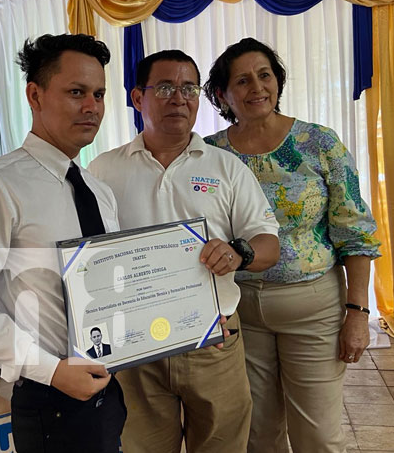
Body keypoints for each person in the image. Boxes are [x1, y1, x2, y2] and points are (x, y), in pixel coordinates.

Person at [0, 33, 126, 453]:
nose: (92, 106)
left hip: (108, 391)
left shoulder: (99, 191)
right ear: (35, 94)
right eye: (76, 92)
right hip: (50, 400)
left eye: (98, 93)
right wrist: (53, 371)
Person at [89, 49, 281, 453]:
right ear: (138, 98)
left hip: (212, 339)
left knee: (222, 445)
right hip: (136, 348)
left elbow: (268, 242)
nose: (179, 97)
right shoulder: (103, 170)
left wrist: (238, 253)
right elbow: (89, 258)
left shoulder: (227, 169)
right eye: (164, 87)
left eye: (188, 88)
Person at [202, 37, 381, 453]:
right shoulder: (210, 155)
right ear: (222, 94)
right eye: (241, 80)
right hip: (237, 310)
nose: (256, 88)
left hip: (313, 308)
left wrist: (357, 313)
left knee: (317, 436)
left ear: (278, 82)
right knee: (257, 434)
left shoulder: (319, 143)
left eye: (264, 75)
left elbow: (355, 232)